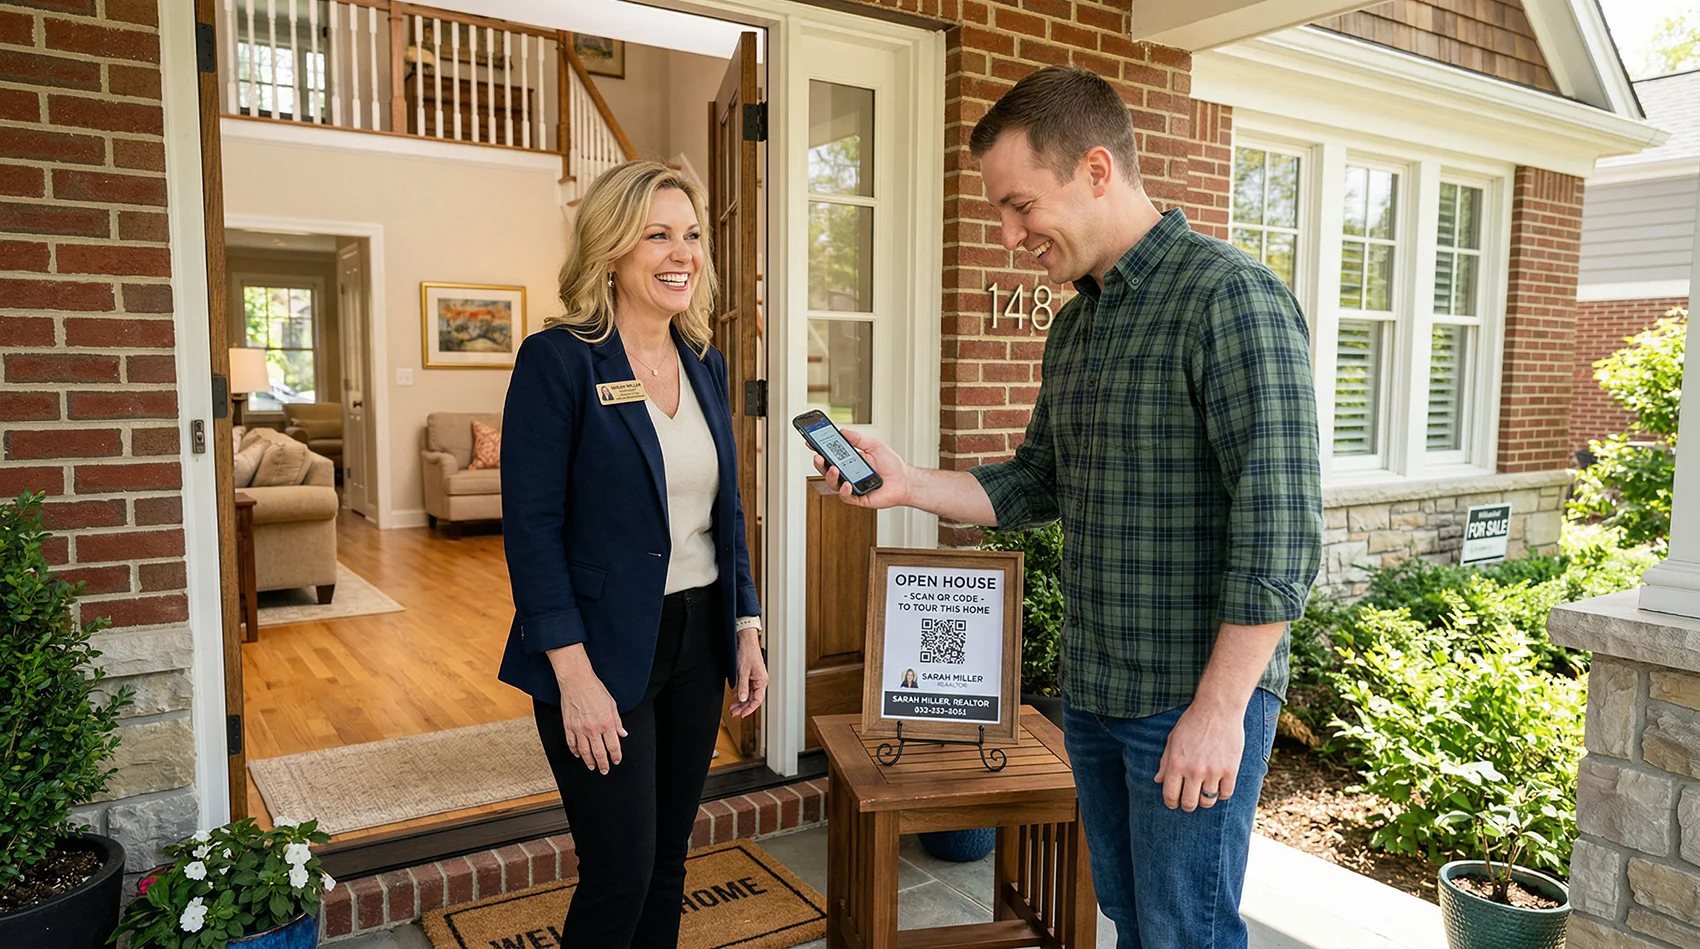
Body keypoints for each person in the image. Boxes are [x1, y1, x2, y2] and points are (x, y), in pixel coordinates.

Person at [813, 67, 1322, 949]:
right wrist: (907, 481)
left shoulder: (1228, 297)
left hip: (1186, 698)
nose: (1008, 235)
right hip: (1095, 690)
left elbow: (1282, 529)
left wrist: (1218, 710)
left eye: (1019, 205)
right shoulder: (1077, 324)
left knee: (1184, 934)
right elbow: (1037, 479)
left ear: (1095, 169)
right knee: (1133, 917)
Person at [500, 160, 768, 949]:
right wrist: (572, 675)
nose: (681, 253)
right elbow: (532, 529)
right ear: (611, 249)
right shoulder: (560, 362)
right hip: (598, 648)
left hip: (695, 642)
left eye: (690, 235)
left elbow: (728, 511)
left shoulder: (704, 361)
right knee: (620, 870)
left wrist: (745, 623)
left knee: (668, 864)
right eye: (657, 235)